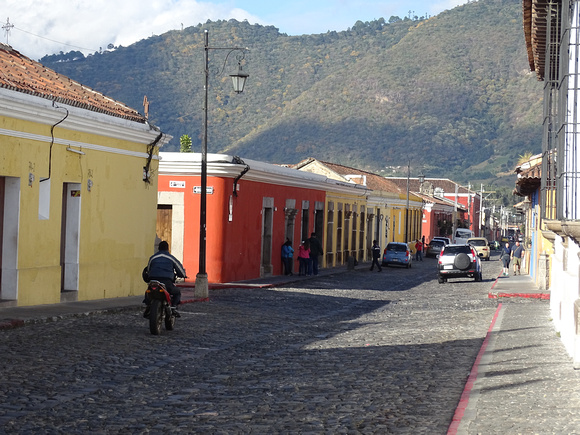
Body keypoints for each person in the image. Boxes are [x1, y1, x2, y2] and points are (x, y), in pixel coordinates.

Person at [145, 240, 186, 317]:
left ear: (158, 248)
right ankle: (173, 308)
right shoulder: (171, 258)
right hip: (166, 282)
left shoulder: (152, 258)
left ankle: (148, 307)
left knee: (148, 292)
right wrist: (183, 275)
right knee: (177, 292)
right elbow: (181, 272)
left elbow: (148, 270)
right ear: (167, 249)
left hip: (153, 280)